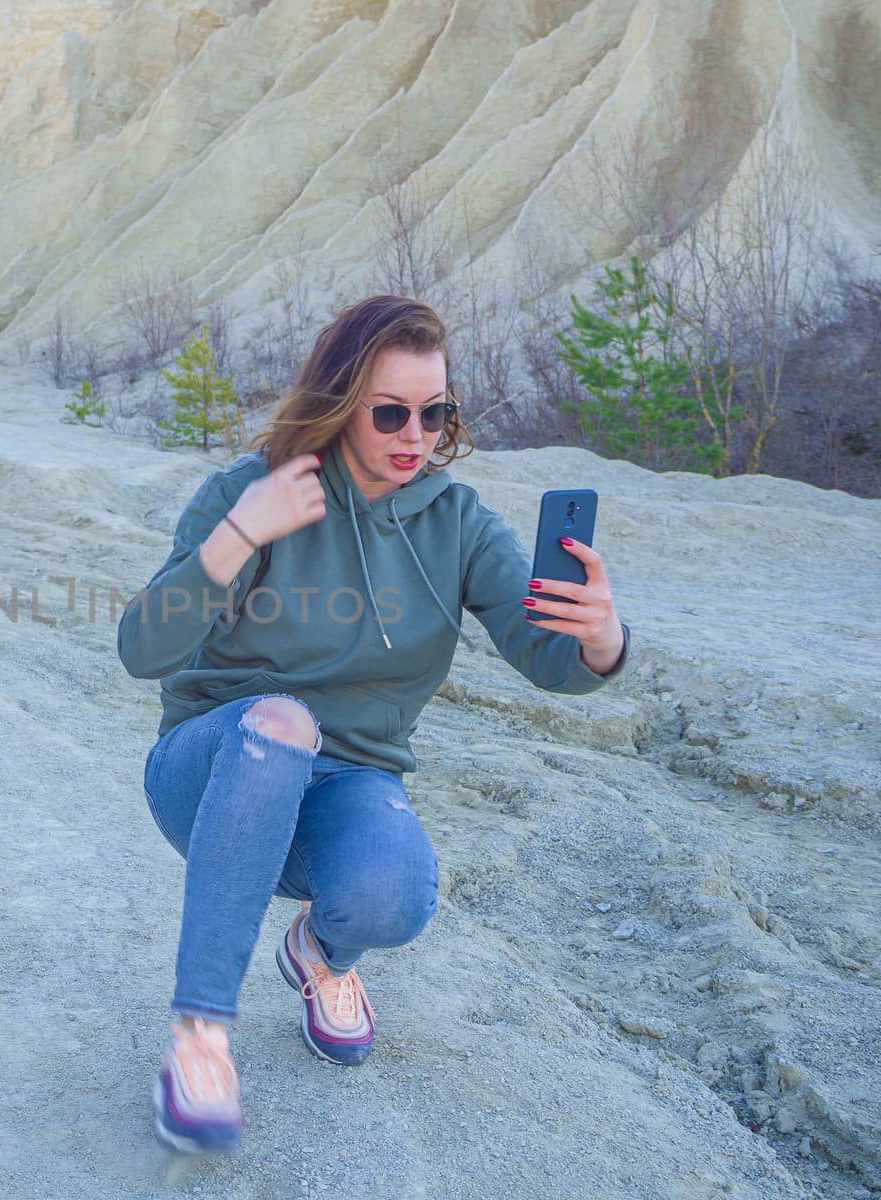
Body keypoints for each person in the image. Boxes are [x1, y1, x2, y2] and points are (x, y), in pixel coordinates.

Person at [117, 294, 629, 1154]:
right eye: (391, 411)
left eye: (437, 413)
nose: (416, 435)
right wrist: (241, 535)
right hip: (213, 768)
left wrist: (602, 638)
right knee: (278, 721)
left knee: (398, 898)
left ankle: (319, 952)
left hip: (349, 779)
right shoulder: (252, 491)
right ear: (341, 402)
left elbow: (548, 662)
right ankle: (200, 1043)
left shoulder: (456, 520)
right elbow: (142, 647)